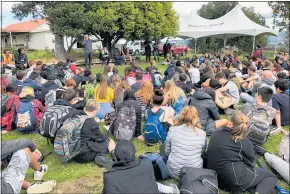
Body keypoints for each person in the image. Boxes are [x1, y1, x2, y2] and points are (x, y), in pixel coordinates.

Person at [207, 111, 278, 194]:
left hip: (213, 177)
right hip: (232, 182)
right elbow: (251, 163)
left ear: (230, 123)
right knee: (270, 176)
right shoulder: (244, 142)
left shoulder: (216, 133)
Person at [103, 140, 179, 194]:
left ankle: (170, 190)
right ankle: (170, 190)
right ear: (134, 153)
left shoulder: (110, 177)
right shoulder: (147, 163)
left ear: (116, 156)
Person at [165, 106, 206, 180]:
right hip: (194, 173)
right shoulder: (202, 134)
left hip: (174, 172)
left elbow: (167, 152)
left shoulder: (172, 130)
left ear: (181, 116)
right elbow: (202, 153)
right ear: (196, 117)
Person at [74, 99, 116, 163]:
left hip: (74, 153)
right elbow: (100, 138)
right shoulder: (91, 123)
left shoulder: (76, 115)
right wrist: (105, 135)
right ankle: (115, 157)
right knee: (109, 141)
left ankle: (99, 156)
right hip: (85, 155)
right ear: (94, 112)